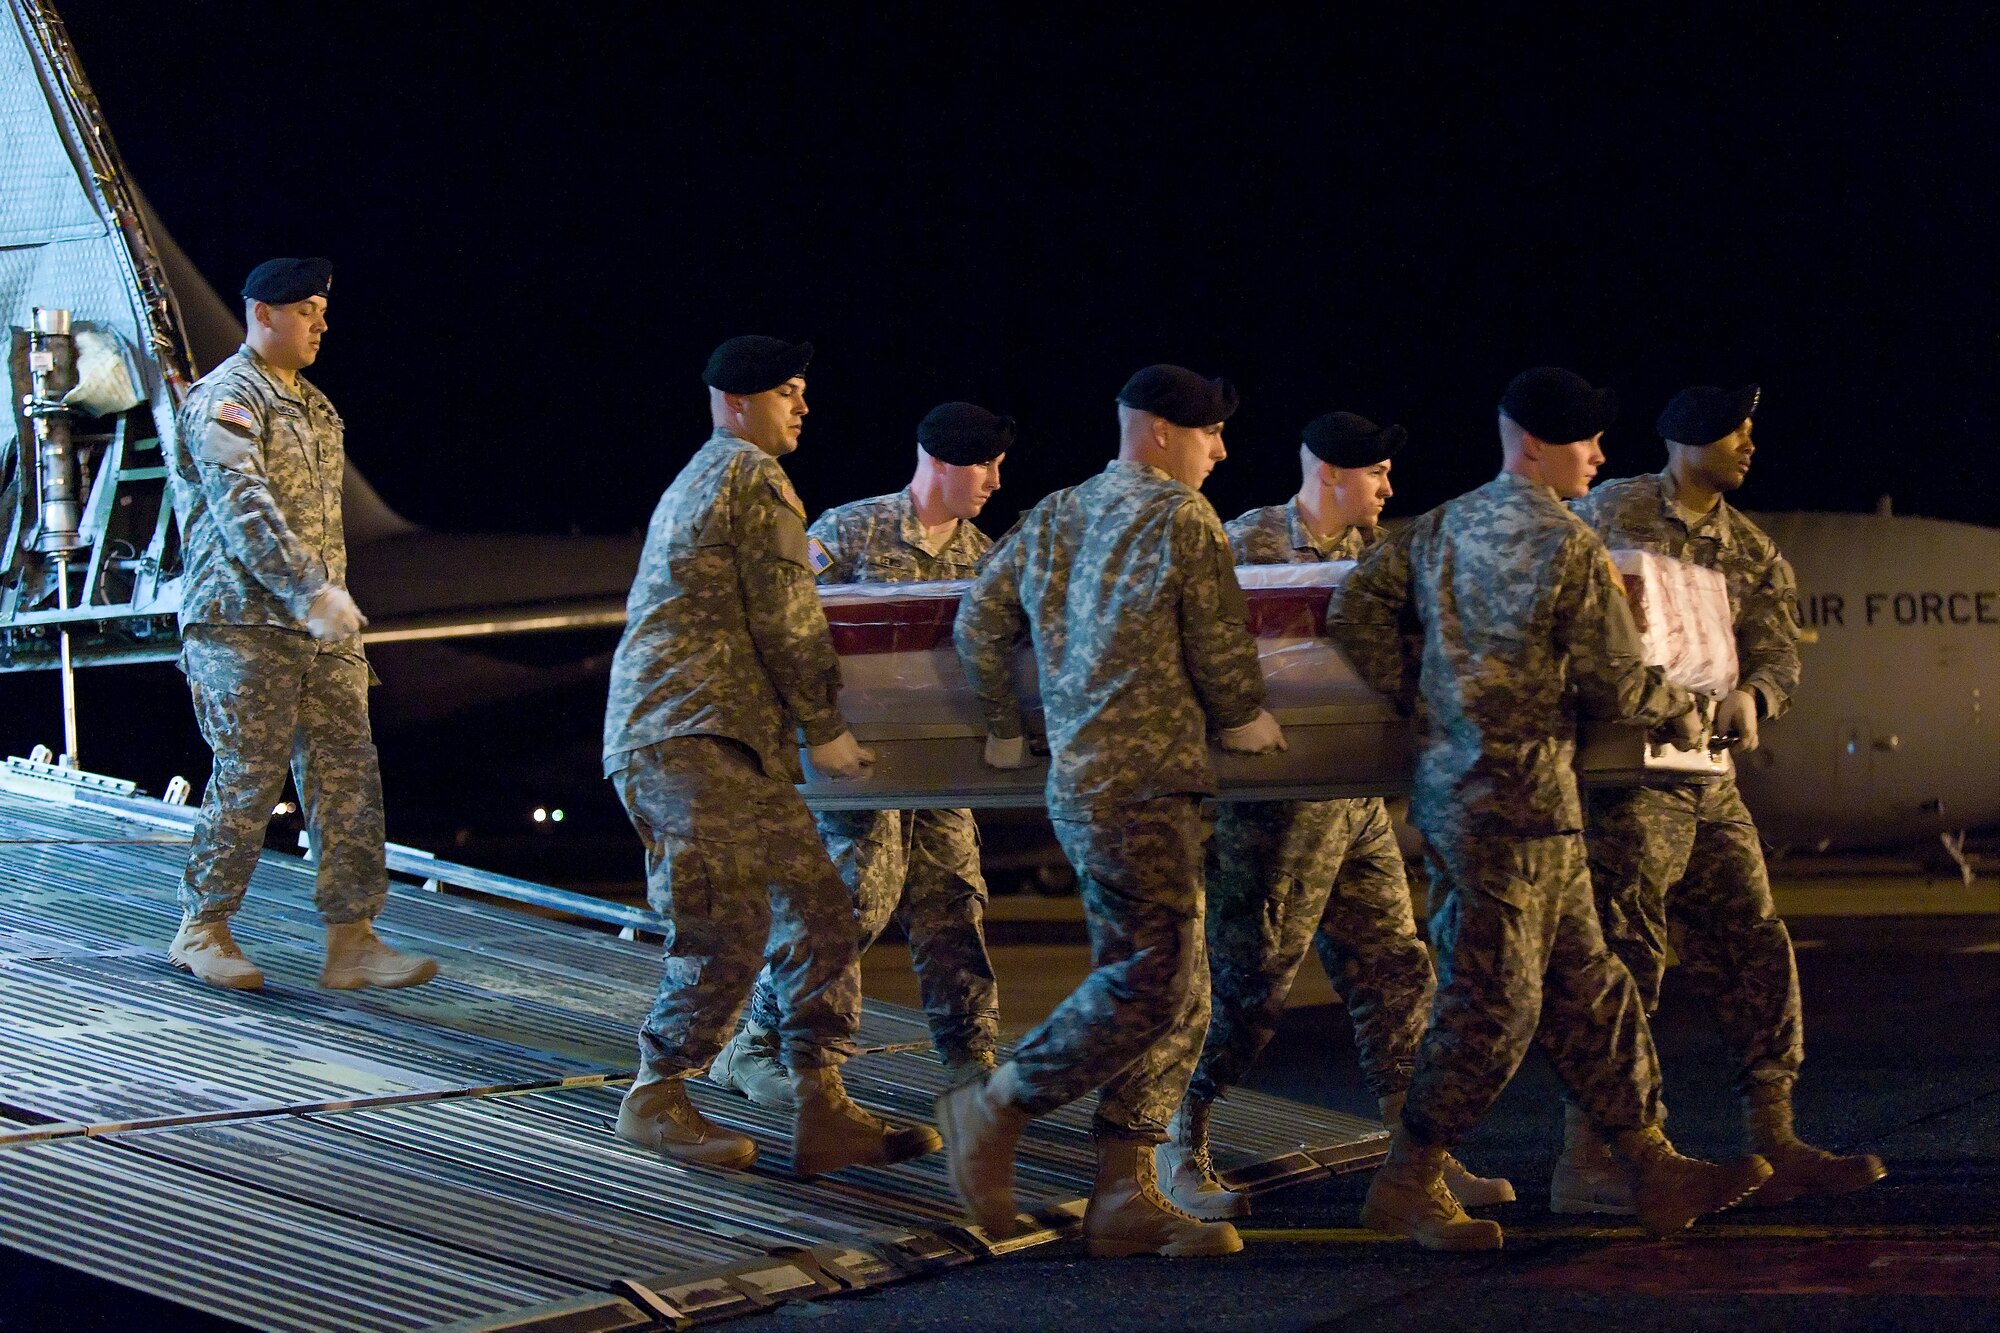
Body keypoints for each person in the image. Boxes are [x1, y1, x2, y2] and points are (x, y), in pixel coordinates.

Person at [1329, 367, 1772, 1251]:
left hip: (1498, 799)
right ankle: (1408, 1178)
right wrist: (1684, 707)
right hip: (1513, 806)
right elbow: (1617, 681)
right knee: (1493, 1004)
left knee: (1591, 986)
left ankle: (1648, 1162)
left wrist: (1426, 697)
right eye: (1584, 439)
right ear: (1534, 443)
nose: (1599, 455)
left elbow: (1354, 606)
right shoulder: (1568, 542)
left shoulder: (1442, 525)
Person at [942, 364, 1285, 1259]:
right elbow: (1217, 637)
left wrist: (1007, 728)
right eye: (1210, 432)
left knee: (1181, 984)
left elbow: (979, 620)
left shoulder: (1056, 513)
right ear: (1162, 431)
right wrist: (1244, 716)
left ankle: (1123, 1192)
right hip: (1145, 780)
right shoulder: (1181, 515)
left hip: (1087, 780)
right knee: (1151, 980)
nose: (1220, 451)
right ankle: (997, 1102)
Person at [603, 335, 940, 1177]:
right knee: (728, 919)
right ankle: (655, 1093)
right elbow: (788, 614)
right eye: (788, 391)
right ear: (739, 401)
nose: (803, 405)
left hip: (726, 740)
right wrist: (825, 725)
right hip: (688, 733)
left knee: (819, 906)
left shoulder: (713, 477)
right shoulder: (748, 475)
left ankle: (822, 1102)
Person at [1162, 411, 1511, 1221]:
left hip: (1355, 806)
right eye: (1375, 473)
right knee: (1247, 987)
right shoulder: (1244, 543)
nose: (1388, 487)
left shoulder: (1380, 552)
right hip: (1272, 807)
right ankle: (1175, 1138)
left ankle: (1418, 1156)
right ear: (1329, 472)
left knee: (1396, 973)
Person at [1562, 384, 1885, 1211]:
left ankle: (1774, 1134)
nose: (1749, 444)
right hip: (1626, 776)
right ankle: (1598, 1153)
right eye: (1734, 431)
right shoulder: (1609, 510)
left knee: (1753, 940)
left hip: (1705, 774)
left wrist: (1758, 695)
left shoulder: (1751, 549)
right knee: (1625, 957)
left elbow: (1777, 652)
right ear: (1687, 436)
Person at [712, 401, 1010, 1105]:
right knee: (853, 904)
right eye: (983, 465)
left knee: (953, 901)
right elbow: (781, 628)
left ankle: (970, 1059)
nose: (995, 481)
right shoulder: (850, 530)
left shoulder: (984, 555)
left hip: (941, 766)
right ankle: (755, 1041)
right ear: (938, 461)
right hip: (855, 761)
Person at [164, 257, 436, 993]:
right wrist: (309, 592)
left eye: (322, 311)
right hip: (242, 621)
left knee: (348, 775)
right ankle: (202, 927)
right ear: (264, 313)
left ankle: (352, 940)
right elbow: (242, 504)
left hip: (321, 628)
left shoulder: (316, 408)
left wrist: (326, 605)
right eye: (307, 310)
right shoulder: (227, 398)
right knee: (249, 773)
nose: (322, 324)